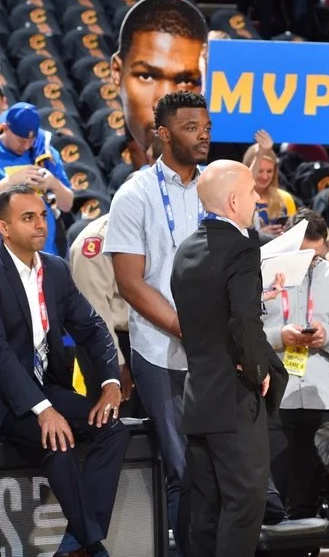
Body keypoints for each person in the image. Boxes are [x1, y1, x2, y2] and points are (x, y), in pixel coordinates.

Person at [104, 91, 211, 546]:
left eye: (206, 127)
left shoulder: (219, 188)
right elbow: (130, 282)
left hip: (215, 352)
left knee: (216, 468)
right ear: (163, 135)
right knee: (182, 467)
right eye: (191, 128)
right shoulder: (135, 194)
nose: (203, 135)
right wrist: (184, 327)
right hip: (161, 351)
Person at [0, 185, 128, 557]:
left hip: (45, 385)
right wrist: (43, 410)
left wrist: (109, 382)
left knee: (114, 429)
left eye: (43, 215)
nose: (41, 224)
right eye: (28, 218)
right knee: (56, 444)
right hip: (8, 395)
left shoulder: (54, 269)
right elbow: (2, 354)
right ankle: (90, 546)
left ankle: (77, 541)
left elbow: (92, 327)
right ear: (4, 228)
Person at [171, 160, 286, 556]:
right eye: (253, 192)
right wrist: (257, 369)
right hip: (234, 400)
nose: (257, 199)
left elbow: (209, 312)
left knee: (207, 509)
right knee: (245, 503)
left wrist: (257, 294)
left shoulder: (187, 249)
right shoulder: (241, 246)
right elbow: (242, 321)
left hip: (198, 397)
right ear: (235, 200)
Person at [262, 210, 329, 518]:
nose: (311, 263)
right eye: (304, 254)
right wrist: (279, 337)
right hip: (275, 396)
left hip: (318, 397)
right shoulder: (262, 273)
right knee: (277, 491)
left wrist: (325, 337)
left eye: (317, 256)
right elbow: (242, 332)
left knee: (308, 496)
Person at [110, 0, 208, 169]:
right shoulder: (130, 191)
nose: (163, 103)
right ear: (117, 71)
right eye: (147, 76)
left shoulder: (208, 183)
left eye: (185, 81)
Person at [69, 213, 133, 403]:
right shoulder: (97, 240)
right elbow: (94, 313)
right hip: (114, 341)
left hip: (150, 338)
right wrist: (115, 364)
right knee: (118, 422)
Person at [0, 102, 73, 255]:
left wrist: (54, 184)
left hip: (47, 250)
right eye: (21, 140)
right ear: (6, 128)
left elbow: (67, 204)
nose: (26, 146)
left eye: (31, 141)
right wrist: (10, 182)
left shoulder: (43, 153)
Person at [243, 130, 298, 235]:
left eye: (269, 171)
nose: (265, 176)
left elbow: (294, 234)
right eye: (260, 171)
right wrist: (260, 235)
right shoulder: (237, 200)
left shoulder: (285, 198)